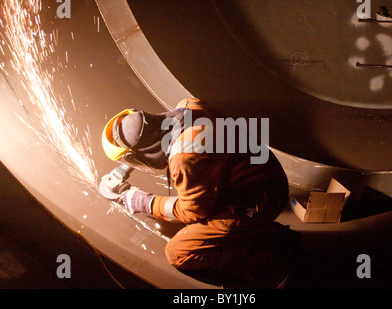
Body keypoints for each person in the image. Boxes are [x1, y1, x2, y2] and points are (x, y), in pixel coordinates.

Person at [101, 97, 301, 288]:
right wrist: (128, 166)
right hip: (266, 174)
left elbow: (193, 212)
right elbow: (153, 139)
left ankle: (267, 262)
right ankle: (258, 234)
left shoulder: (184, 157)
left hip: (260, 201)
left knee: (179, 253)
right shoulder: (189, 106)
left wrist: (144, 202)